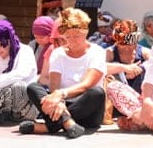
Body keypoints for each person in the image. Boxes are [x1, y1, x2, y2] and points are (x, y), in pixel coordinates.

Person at [21, 8, 105, 138]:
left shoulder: (97, 52)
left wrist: (61, 94)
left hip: (86, 108)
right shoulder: (57, 53)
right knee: (33, 87)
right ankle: (67, 123)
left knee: (97, 93)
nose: (72, 41)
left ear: (86, 32)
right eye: (68, 37)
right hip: (62, 105)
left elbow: (87, 84)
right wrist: (59, 102)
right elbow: (54, 86)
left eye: (77, 36)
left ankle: (50, 127)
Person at [104, 19, 147, 97]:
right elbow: (99, 68)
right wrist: (124, 69)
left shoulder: (144, 52)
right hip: (117, 95)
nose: (127, 49)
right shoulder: (110, 52)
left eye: (130, 45)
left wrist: (139, 69)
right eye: (123, 46)